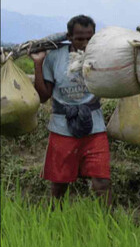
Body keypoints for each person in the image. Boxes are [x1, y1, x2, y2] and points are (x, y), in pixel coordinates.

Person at [30, 15, 111, 205]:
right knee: (59, 184)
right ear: (69, 37)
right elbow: (43, 96)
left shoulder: (100, 57)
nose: (84, 43)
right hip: (62, 127)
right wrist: (38, 64)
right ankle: (54, 222)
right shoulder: (56, 58)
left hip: (94, 127)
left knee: (102, 182)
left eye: (89, 38)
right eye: (79, 38)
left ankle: (108, 225)